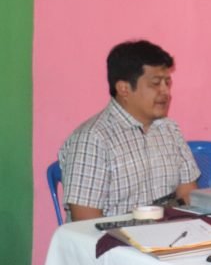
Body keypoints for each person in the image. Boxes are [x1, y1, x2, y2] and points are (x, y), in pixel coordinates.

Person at [59, 40, 200, 221]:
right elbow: (86, 220)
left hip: (169, 232)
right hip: (115, 236)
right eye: (156, 83)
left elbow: (188, 193)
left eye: (167, 82)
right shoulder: (92, 140)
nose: (166, 92)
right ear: (124, 89)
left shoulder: (169, 129)